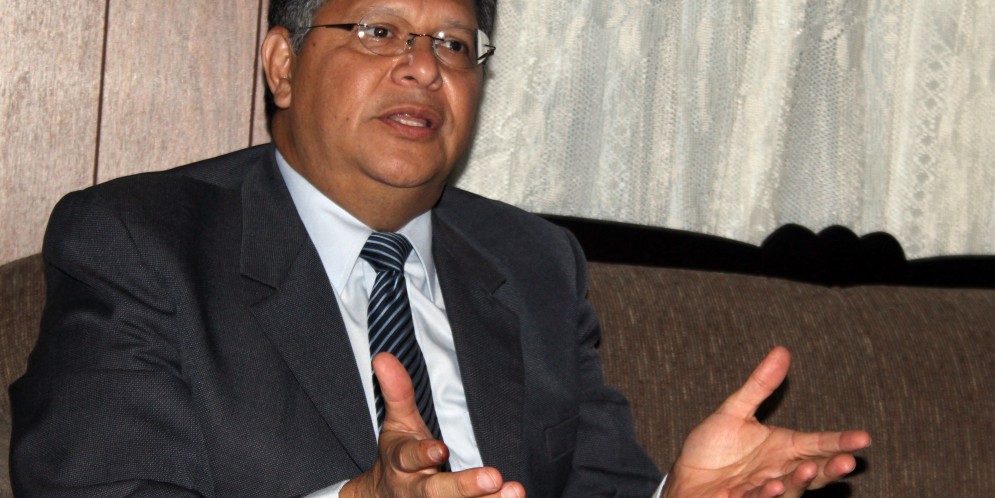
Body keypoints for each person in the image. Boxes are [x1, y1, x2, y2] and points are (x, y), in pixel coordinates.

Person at [9, 0, 871, 496]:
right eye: (378, 31)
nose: (424, 67)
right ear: (283, 64)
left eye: (453, 44)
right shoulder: (141, 240)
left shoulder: (533, 262)